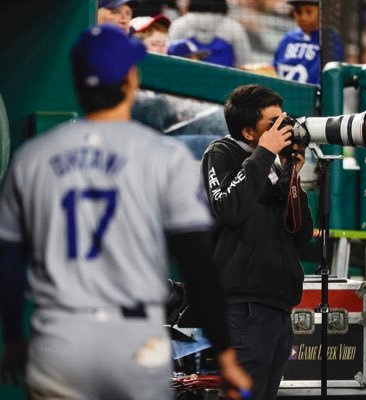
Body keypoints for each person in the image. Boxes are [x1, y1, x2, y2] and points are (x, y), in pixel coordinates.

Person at [0, 25, 251, 400]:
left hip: (60, 342)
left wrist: (15, 340)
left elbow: (9, 264)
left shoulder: (32, 158)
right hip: (133, 344)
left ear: (75, 82)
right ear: (131, 79)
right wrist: (227, 356)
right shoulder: (162, 156)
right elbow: (198, 266)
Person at [200, 84, 314, 400]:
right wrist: (265, 154)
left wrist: (292, 178)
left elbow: (301, 234)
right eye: (273, 123)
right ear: (251, 133)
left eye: (284, 119)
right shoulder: (221, 152)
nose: (285, 128)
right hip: (242, 307)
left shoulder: (276, 167)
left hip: (279, 306)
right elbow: (229, 206)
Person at [272, 0, 344, 85]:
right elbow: (274, 69)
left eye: (308, 12)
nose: (303, 17)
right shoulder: (287, 39)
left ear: (322, 13)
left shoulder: (330, 40)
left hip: (312, 97)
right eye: (298, 12)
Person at [168, 0, 252, 68]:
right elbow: (246, 65)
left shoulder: (179, 25)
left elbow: (168, 57)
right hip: (225, 84)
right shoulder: (234, 28)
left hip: (184, 81)